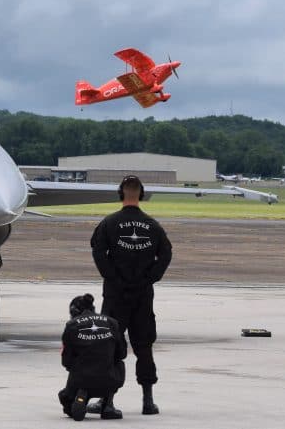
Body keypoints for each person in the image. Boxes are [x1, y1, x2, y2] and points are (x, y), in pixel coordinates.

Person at [89, 175, 172, 415]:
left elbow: (97, 251)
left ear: (120, 193)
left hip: (116, 296)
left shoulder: (109, 223)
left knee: (111, 347)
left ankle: (107, 401)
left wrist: (112, 276)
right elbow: (166, 254)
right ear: (142, 194)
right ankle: (148, 401)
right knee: (144, 346)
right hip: (142, 296)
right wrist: (149, 278)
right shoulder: (153, 226)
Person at [58, 293, 126, 421]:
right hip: (109, 379)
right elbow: (121, 353)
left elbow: (66, 360)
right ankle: (108, 404)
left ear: (73, 311)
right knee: (119, 363)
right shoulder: (112, 322)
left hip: (82, 379)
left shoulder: (71, 326)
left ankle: (80, 395)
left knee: (66, 400)